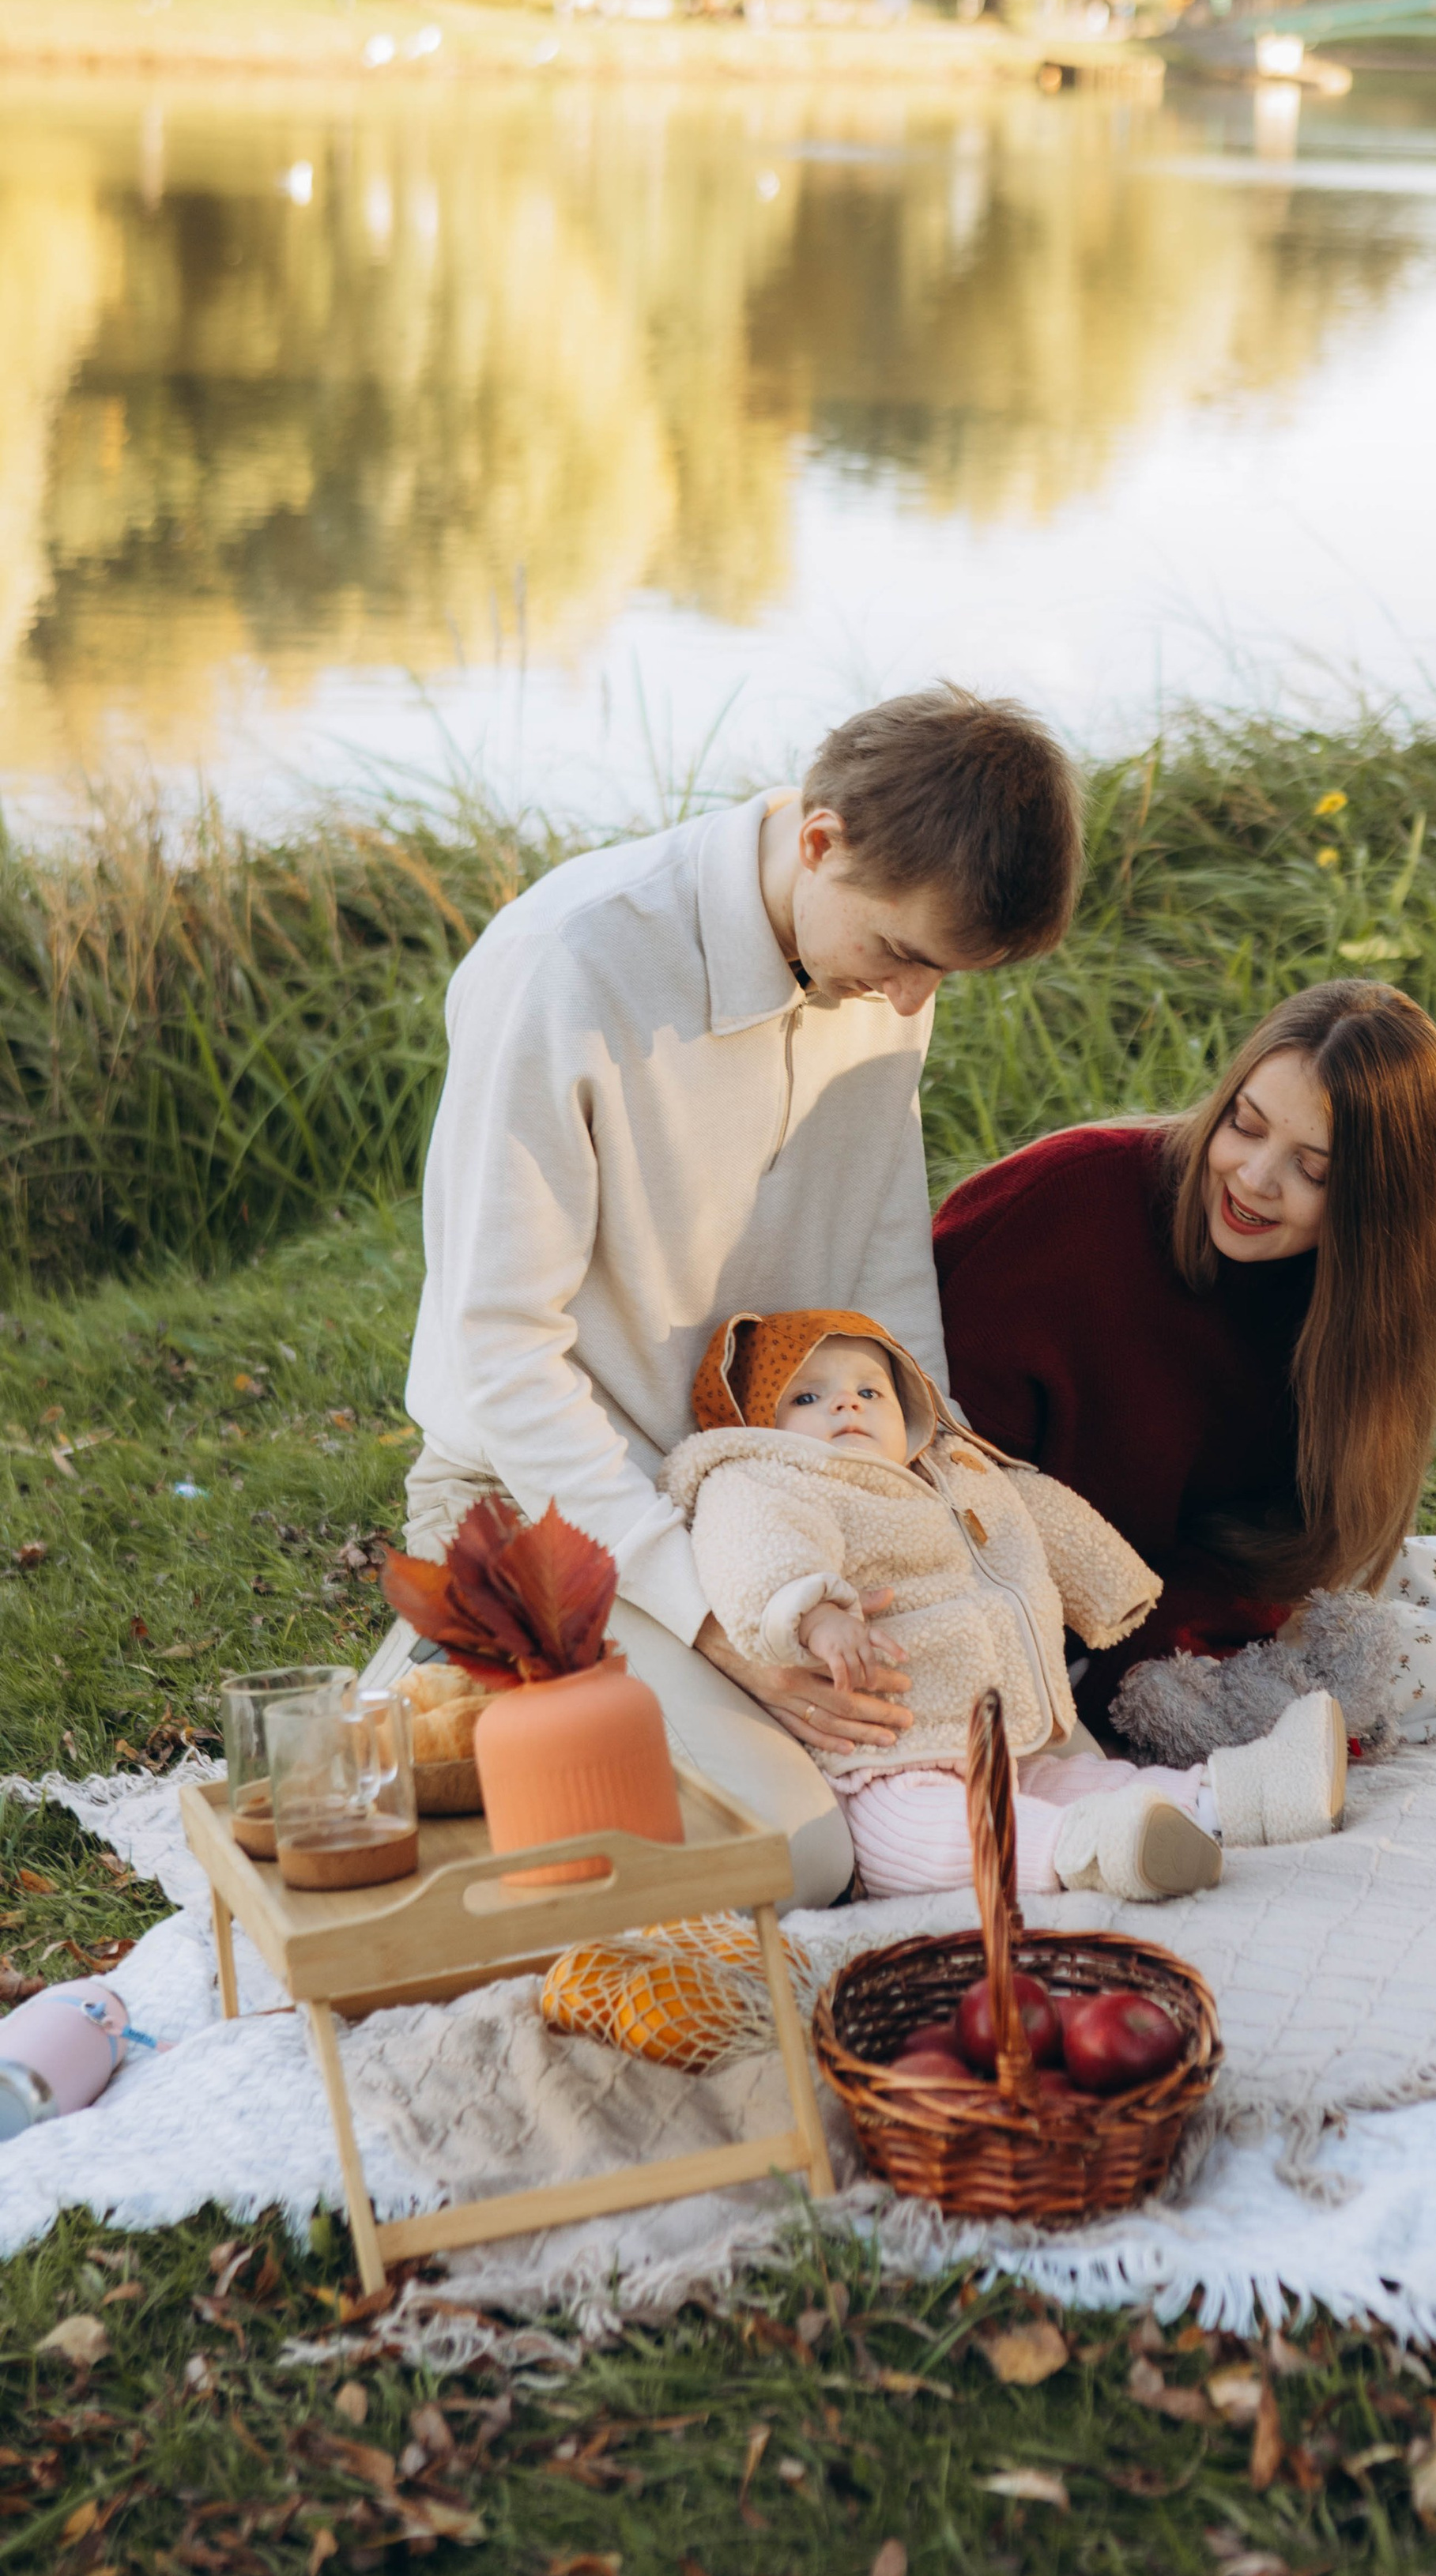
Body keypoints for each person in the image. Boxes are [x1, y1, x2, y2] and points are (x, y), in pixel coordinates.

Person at [368, 688, 1084, 1903]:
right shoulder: (570, 965)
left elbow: (877, 1275)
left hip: (781, 1500)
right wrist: (715, 1623)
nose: (915, 1002)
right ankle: (423, 1695)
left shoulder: (873, 978)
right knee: (802, 1854)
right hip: (548, 1509)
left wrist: (931, 1490)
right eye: (907, 957)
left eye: (945, 975)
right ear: (821, 841)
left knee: (1025, 1739)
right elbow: (503, 1357)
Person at [933, 979, 1436, 1742]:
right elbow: (917, 1453)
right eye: (1245, 1125)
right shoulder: (1063, 1203)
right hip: (966, 1598)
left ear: (1375, 1207)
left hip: (1154, 1638)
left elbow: (1276, 1552)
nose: (1253, 1178)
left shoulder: (1350, 1325)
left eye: (1313, 1171)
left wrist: (1155, 1663)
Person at [661, 1308, 1349, 1903]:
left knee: (1081, 1781)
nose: (846, 1405)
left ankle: (1239, 1798)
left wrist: (1112, 1585)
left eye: (869, 1391)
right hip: (884, 1762)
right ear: (759, 1423)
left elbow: (1034, 1514)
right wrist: (815, 1616)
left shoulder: (954, 1472)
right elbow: (755, 1550)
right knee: (933, 1826)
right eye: (807, 1397)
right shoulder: (766, 1479)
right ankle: (1085, 1852)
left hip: (1001, 1737)